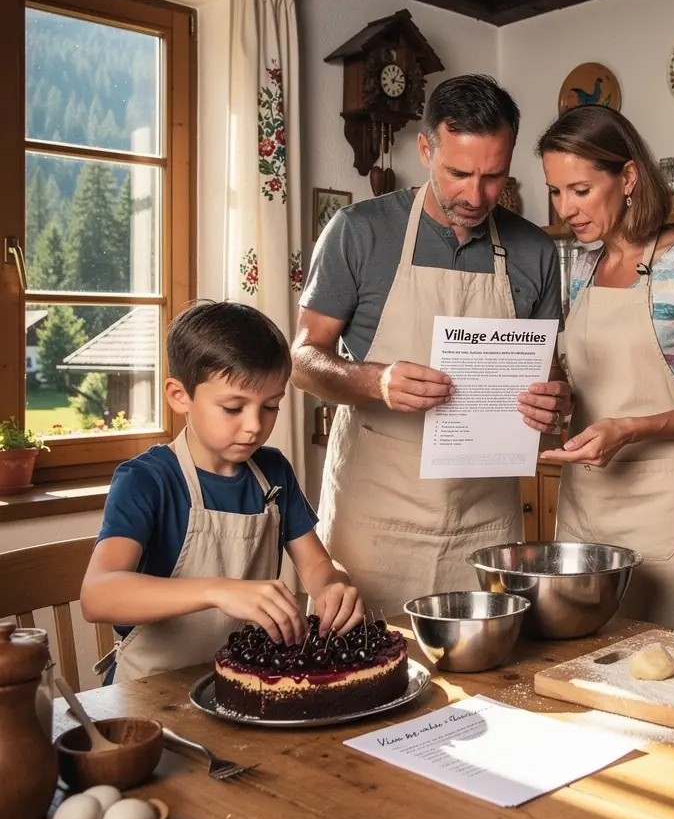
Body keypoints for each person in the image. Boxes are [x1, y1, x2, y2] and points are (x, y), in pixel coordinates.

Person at [292, 74, 571, 615]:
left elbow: (550, 373)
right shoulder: (360, 231)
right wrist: (377, 380)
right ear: (425, 149)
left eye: (493, 176)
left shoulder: (535, 250)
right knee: (366, 675)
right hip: (376, 518)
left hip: (486, 520)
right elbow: (303, 361)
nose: (475, 195)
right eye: (459, 172)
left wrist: (555, 400)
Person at [539, 105, 674, 628]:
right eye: (555, 191)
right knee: (583, 659)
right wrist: (557, 397)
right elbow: (579, 380)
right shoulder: (583, 268)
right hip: (587, 499)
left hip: (670, 505)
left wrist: (633, 428)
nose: (566, 208)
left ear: (628, 177)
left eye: (581, 190)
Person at [81, 301, 364, 683]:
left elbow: (315, 566)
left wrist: (334, 587)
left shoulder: (273, 470)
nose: (254, 426)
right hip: (150, 692)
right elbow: (97, 595)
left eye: (270, 406)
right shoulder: (146, 480)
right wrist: (219, 591)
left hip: (241, 683)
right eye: (233, 407)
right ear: (179, 395)